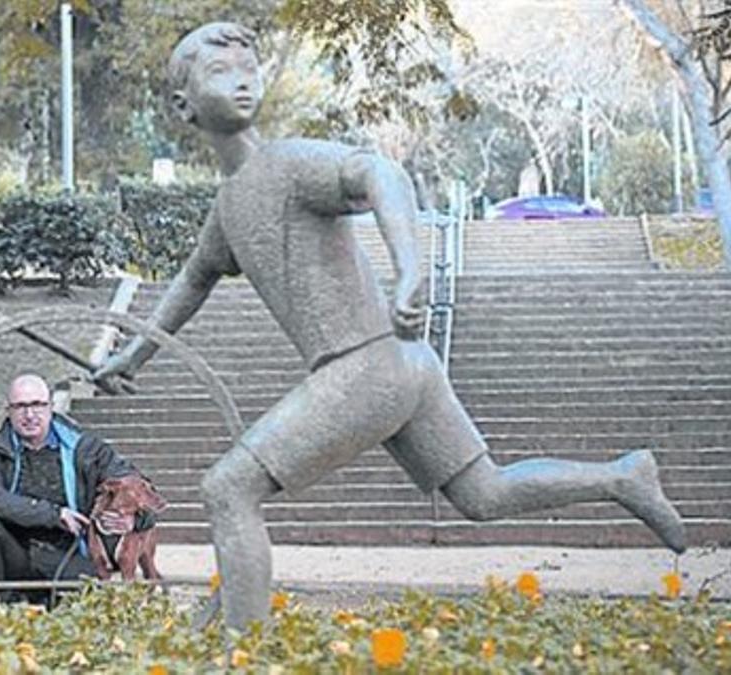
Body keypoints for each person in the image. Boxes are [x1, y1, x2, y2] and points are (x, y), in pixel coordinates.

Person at [94, 21, 686, 630]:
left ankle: (242, 653)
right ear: (182, 104)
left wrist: (409, 271)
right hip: (405, 366)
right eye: (221, 72)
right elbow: (193, 281)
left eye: (250, 67)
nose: (243, 80)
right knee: (484, 494)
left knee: (229, 490)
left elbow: (382, 174)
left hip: (366, 366)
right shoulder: (229, 207)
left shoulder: (290, 164)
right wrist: (131, 358)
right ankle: (622, 477)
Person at [0, 373, 150, 602]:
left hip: (65, 554)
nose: (30, 415)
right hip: (9, 551)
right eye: (20, 406)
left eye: (37, 405)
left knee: (85, 601)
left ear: (51, 406)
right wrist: (54, 514)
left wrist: (133, 519)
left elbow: (142, 489)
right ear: (8, 410)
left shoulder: (85, 448)